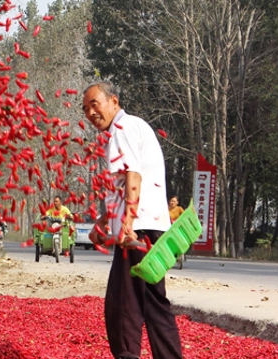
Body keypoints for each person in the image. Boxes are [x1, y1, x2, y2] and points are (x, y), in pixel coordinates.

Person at [83, 82, 183, 359]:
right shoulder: (134, 126)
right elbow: (133, 182)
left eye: (95, 104)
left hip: (137, 231)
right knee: (154, 303)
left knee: (123, 306)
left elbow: (133, 176)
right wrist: (104, 221)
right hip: (150, 226)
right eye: (85, 109)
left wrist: (126, 224)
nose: (91, 113)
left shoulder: (121, 129)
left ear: (113, 101)